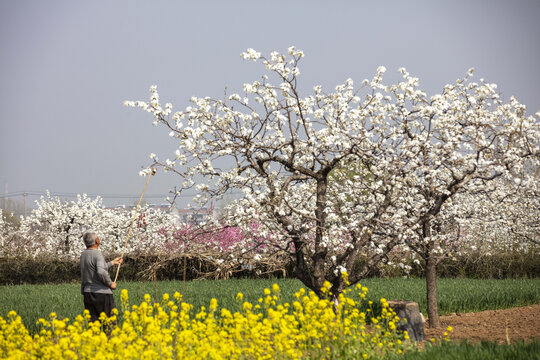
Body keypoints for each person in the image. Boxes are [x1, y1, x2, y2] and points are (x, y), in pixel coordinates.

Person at [80, 232, 123, 323]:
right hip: (101, 294)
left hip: (88, 293)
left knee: (93, 324)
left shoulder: (83, 255)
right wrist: (110, 284)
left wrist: (112, 263)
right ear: (96, 241)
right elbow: (101, 272)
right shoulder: (97, 254)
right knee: (109, 323)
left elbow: (93, 269)